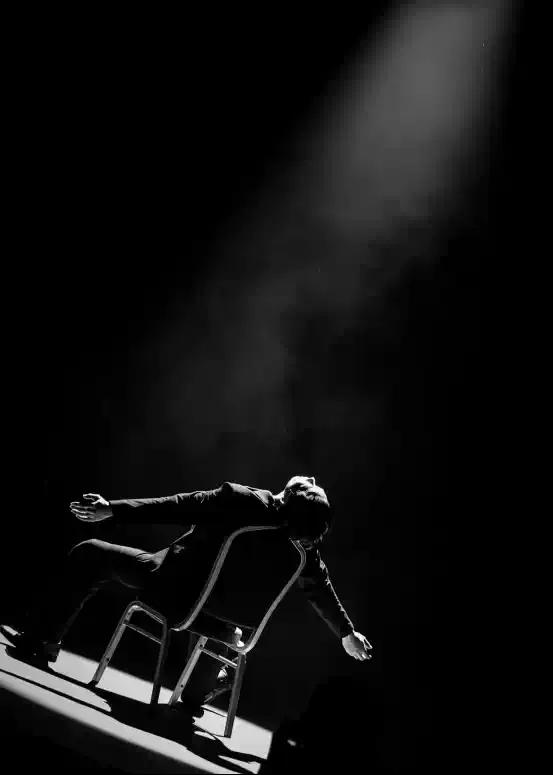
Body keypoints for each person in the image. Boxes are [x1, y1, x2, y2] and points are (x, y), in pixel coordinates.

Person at [1, 475, 372, 716]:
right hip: (217, 626)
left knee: (90, 553)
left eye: (312, 485)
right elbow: (321, 591)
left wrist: (112, 510)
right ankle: (199, 692)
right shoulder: (304, 553)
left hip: (172, 596)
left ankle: (43, 639)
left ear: (289, 494)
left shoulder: (239, 501)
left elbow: (178, 504)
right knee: (224, 622)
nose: (312, 477)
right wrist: (346, 633)